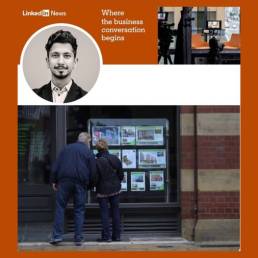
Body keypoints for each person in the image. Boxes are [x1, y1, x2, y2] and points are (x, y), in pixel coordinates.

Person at [49, 132, 95, 246]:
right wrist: (90, 185)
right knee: (79, 209)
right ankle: (78, 238)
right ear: (87, 140)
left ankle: (57, 236)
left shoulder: (65, 149)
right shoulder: (88, 152)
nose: (90, 143)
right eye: (89, 142)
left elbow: (56, 166)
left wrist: (54, 180)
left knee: (60, 207)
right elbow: (93, 171)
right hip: (80, 183)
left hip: (64, 181)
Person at [33, 30, 87, 103]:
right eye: (55, 55)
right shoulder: (33, 95)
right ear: (47, 61)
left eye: (67, 56)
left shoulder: (86, 97)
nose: (61, 62)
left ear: (75, 62)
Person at [94, 139, 124, 242]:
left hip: (102, 190)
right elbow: (121, 175)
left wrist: (94, 186)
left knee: (104, 213)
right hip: (115, 189)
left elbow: (95, 178)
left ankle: (106, 237)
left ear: (97, 149)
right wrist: (116, 182)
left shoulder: (96, 161)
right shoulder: (115, 158)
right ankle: (117, 236)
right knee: (116, 212)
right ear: (107, 147)